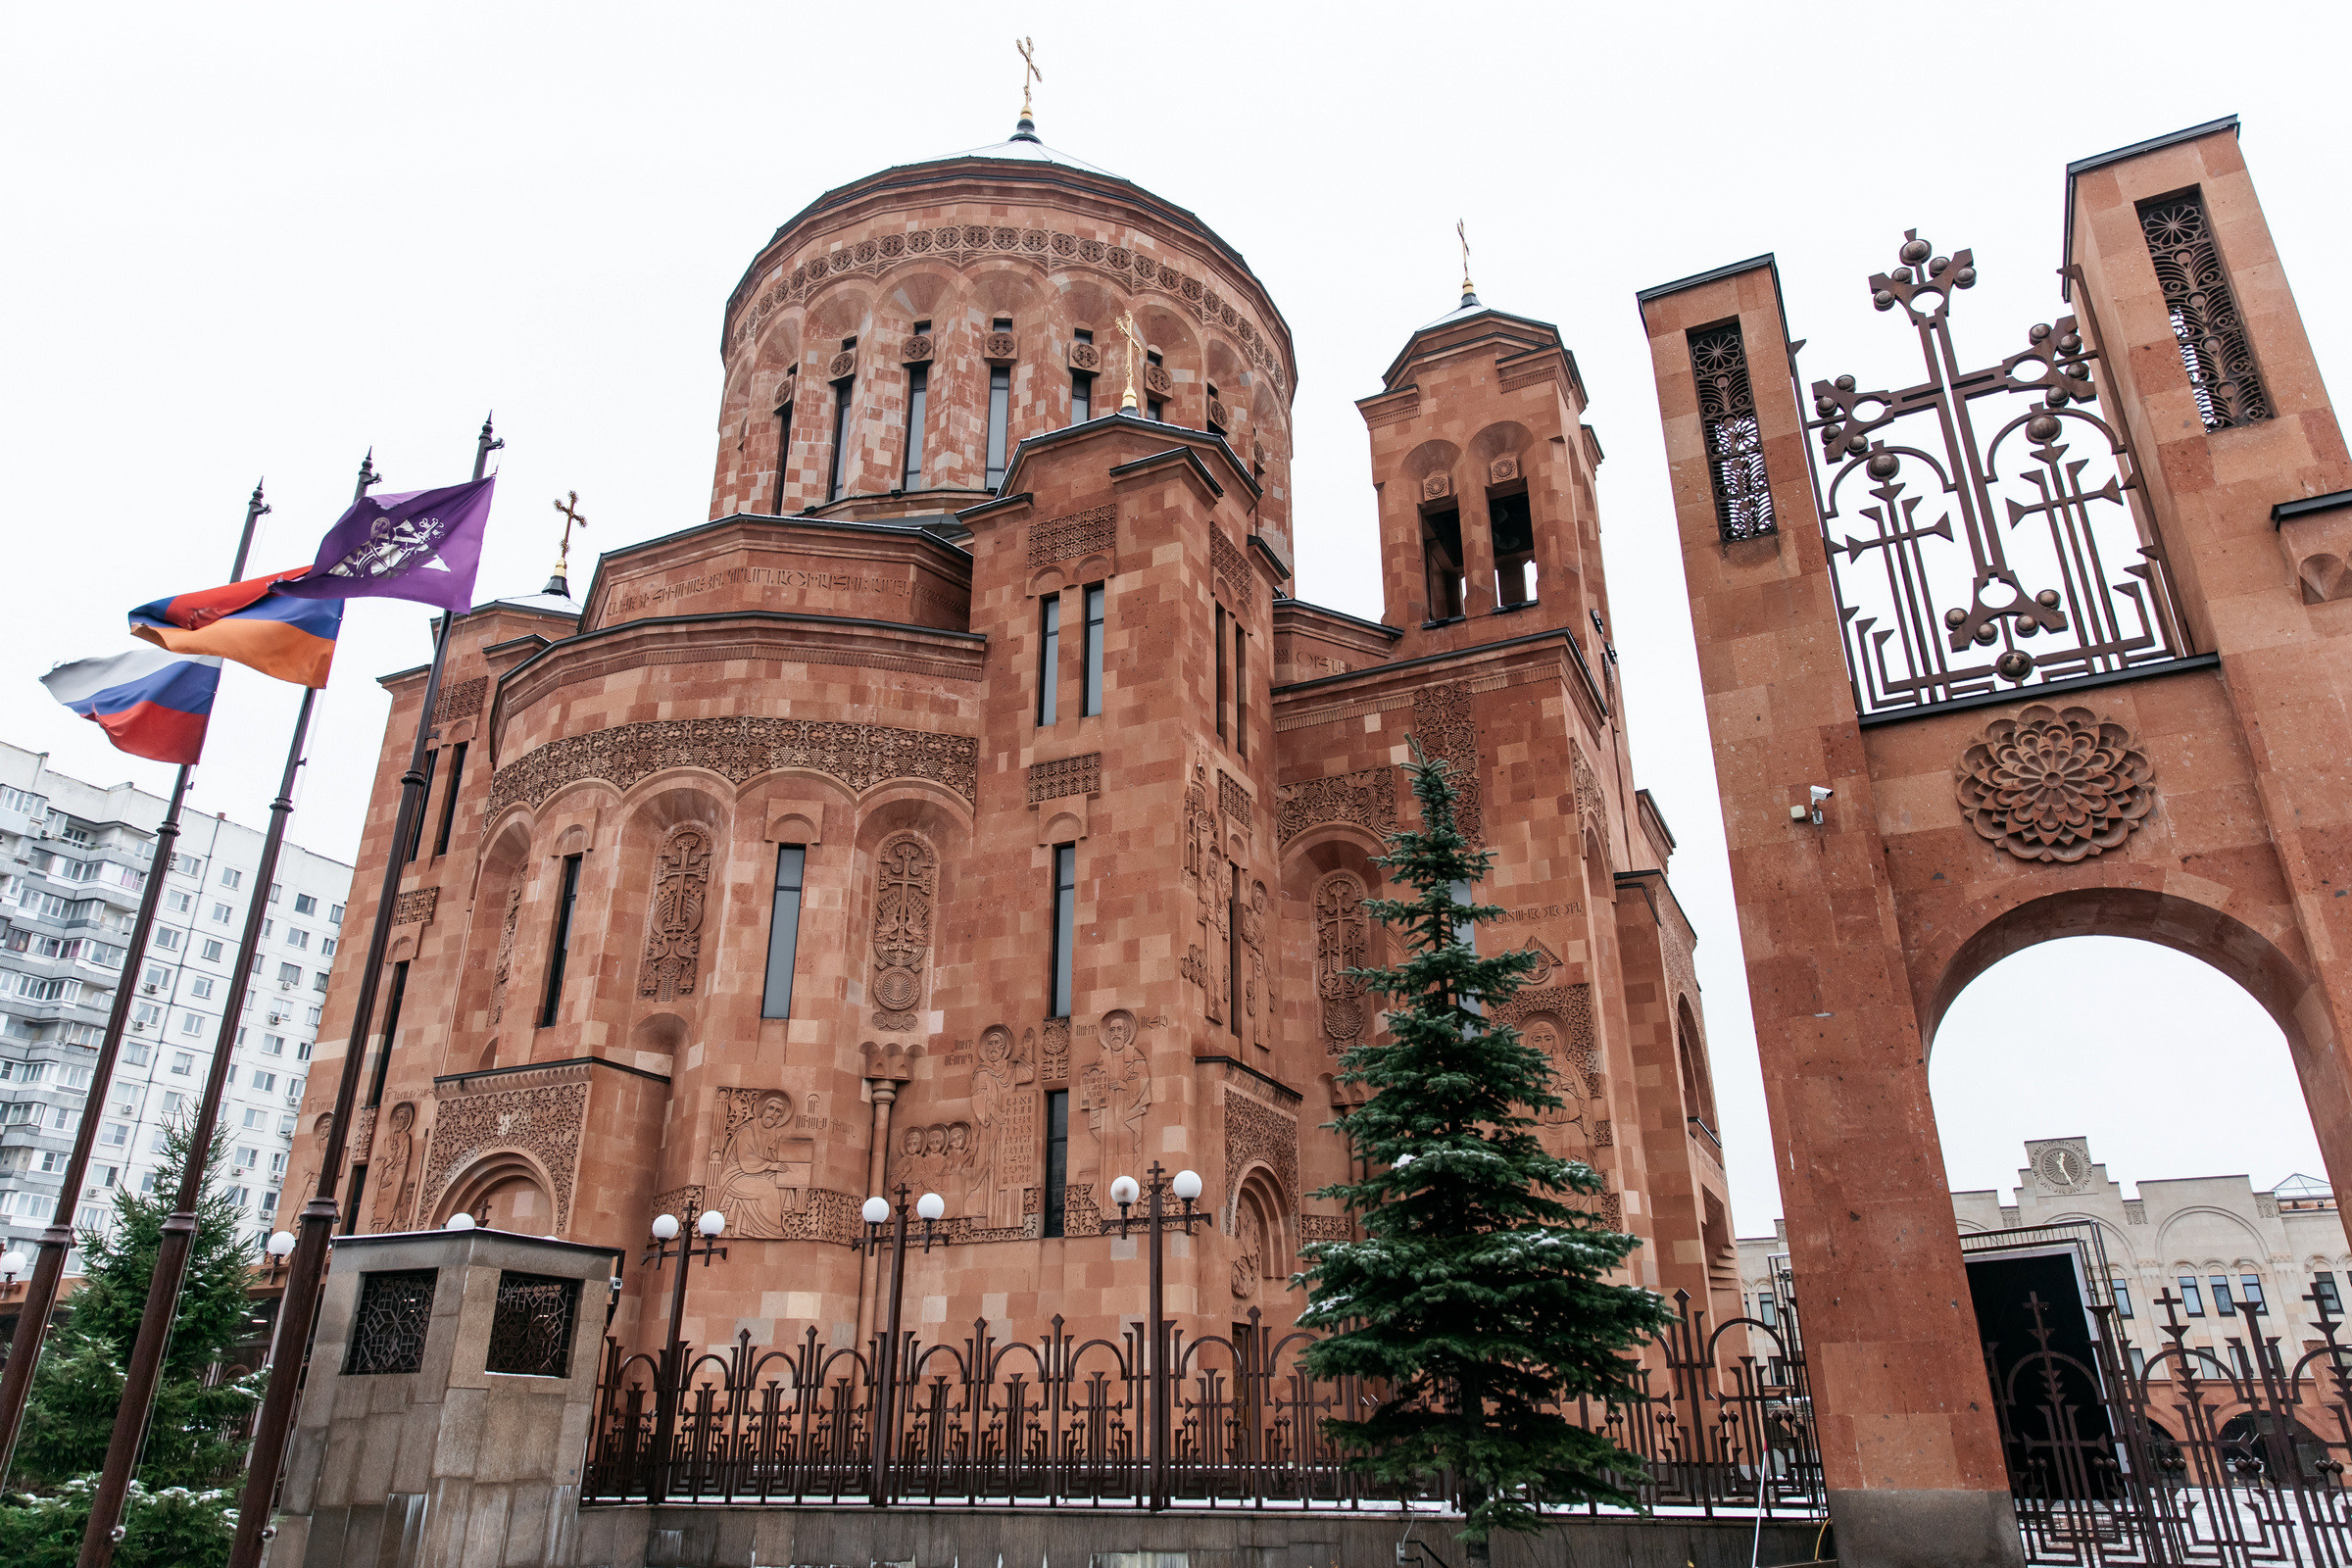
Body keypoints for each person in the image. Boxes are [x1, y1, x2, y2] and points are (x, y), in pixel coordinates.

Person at [714, 1092, 802, 1238]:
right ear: (763, 1110)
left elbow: (775, 1157)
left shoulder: (773, 1134)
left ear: (780, 1117)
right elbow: (746, 1160)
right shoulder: (747, 1130)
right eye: (771, 1108)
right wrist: (771, 1166)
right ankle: (773, 1232)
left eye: (778, 1111)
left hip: (758, 1173)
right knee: (769, 1189)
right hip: (736, 1175)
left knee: (783, 1184)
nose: (773, 1114)